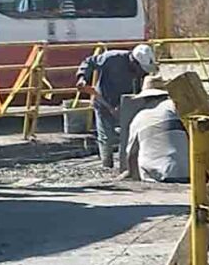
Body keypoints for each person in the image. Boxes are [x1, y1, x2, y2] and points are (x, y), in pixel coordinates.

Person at [76, 42, 152, 175]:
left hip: (129, 102)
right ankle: (107, 166)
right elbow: (89, 62)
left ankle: (129, 165)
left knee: (131, 133)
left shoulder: (141, 71)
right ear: (133, 61)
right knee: (106, 135)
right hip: (105, 100)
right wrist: (82, 78)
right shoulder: (112, 58)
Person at [119, 73, 191, 184]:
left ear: (144, 99)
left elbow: (131, 155)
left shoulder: (138, 118)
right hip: (189, 172)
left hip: (155, 176)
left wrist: (133, 176)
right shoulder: (175, 107)